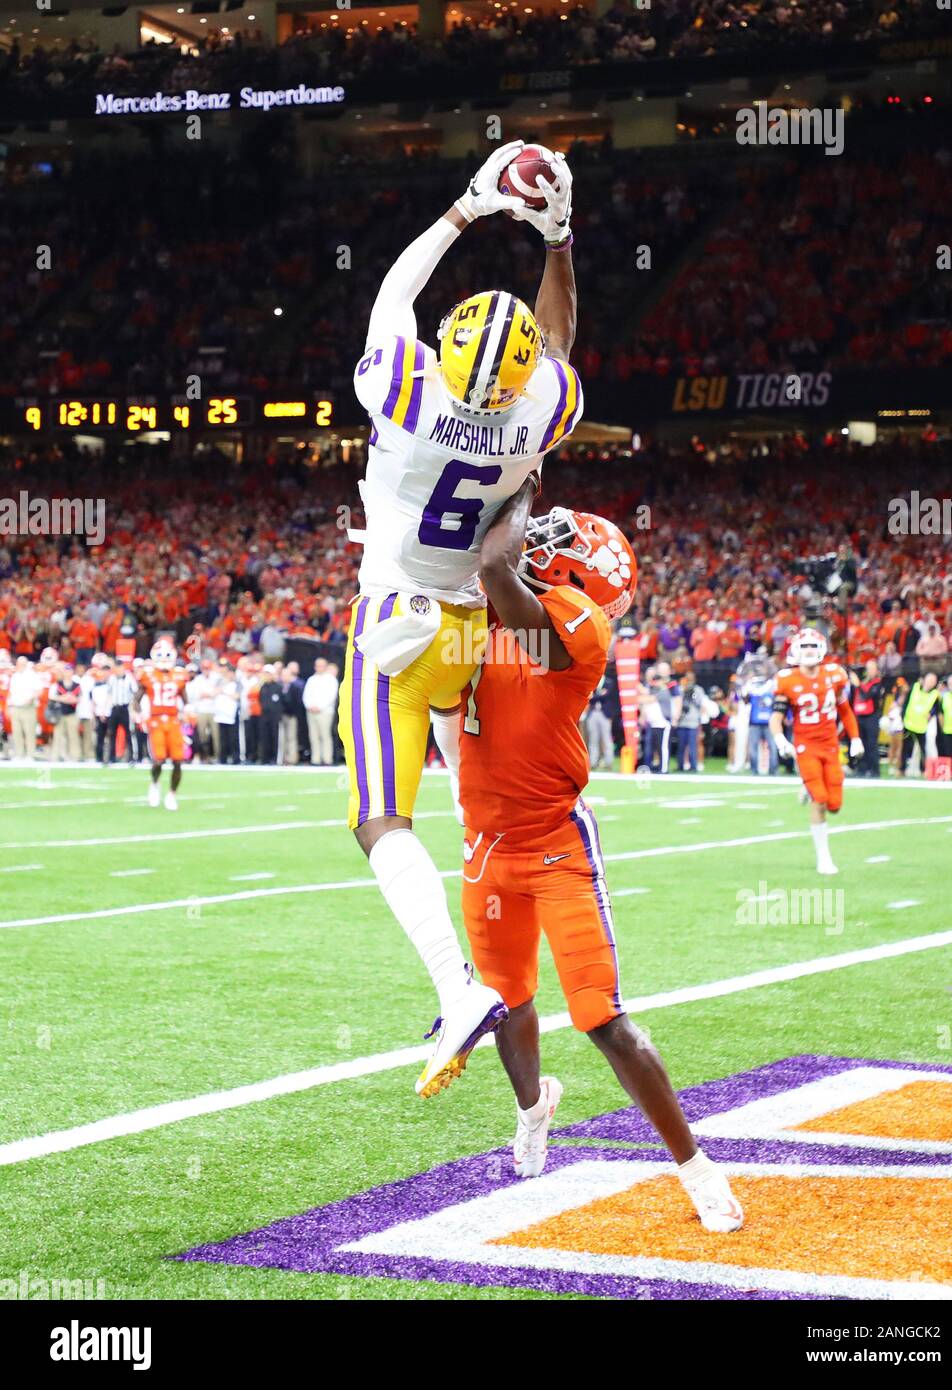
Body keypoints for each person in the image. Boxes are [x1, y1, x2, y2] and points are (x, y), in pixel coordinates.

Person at [340, 140, 584, 1099]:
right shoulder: (537, 412)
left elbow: (391, 298)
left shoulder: (406, 386)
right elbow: (560, 343)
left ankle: (459, 986)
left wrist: (466, 209)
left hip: (396, 620)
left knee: (377, 818)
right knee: (459, 783)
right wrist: (556, 237)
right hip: (469, 629)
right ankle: (502, 924)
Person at [457, 489, 743, 1232]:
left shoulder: (578, 627)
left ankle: (694, 1167)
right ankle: (532, 1112)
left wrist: (516, 483)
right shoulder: (492, 610)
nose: (550, 540)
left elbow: (492, 561)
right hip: (485, 845)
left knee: (600, 1017)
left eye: (566, 542)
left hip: (554, 845)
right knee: (505, 1001)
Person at [770, 628, 863, 876]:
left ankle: (807, 786)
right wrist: (780, 739)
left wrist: (855, 738)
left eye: (813, 646)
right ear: (795, 652)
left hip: (831, 745)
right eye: (804, 647)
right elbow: (776, 717)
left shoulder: (834, 675)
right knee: (819, 800)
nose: (809, 651)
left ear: (821, 650)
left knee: (834, 805)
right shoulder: (787, 680)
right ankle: (824, 857)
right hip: (806, 746)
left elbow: (845, 710)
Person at [137, 638, 187, 810]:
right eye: (161, 654)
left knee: (178, 761)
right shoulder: (148, 675)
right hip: (156, 720)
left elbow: (185, 698)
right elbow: (136, 699)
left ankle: (172, 794)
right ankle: (155, 783)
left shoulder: (179, 675)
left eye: (167, 654)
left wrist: (187, 710)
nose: (164, 658)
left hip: (173, 721)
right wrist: (138, 715)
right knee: (158, 760)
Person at [901, 671, 940, 775]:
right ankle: (901, 770)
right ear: (925, 679)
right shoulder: (914, 687)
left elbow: (935, 708)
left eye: (933, 681)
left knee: (923, 749)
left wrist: (930, 714)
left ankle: (924, 770)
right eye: (929, 680)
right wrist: (902, 716)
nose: (931, 683)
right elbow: (906, 702)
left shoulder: (935, 694)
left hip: (921, 726)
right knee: (904, 749)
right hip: (909, 723)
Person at [304, 658, 340, 766]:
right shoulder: (311, 679)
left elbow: (331, 697)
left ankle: (327, 759)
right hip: (311, 711)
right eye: (317, 665)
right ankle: (315, 759)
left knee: (325, 735)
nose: (319, 667)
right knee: (313, 736)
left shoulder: (331, 679)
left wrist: (319, 707)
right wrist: (309, 706)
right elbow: (306, 695)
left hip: (325, 712)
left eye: (321, 665)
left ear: (325, 666)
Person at [851, 658, 883, 777]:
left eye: (872, 668)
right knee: (861, 744)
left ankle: (874, 770)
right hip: (860, 716)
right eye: (868, 668)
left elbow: (867, 696)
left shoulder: (878, 683)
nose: (869, 671)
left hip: (871, 717)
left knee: (871, 744)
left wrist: (858, 685)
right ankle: (862, 768)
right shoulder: (865, 682)